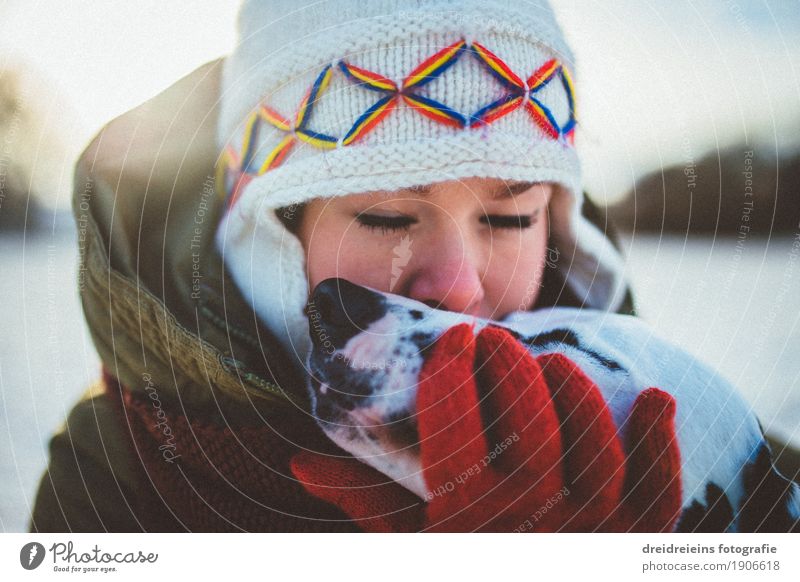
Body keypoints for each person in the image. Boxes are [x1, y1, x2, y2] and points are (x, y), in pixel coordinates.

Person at [30, 0, 798, 533]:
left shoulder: (682, 446)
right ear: (264, 232)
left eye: (509, 217)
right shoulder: (124, 480)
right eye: (387, 217)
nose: (459, 286)